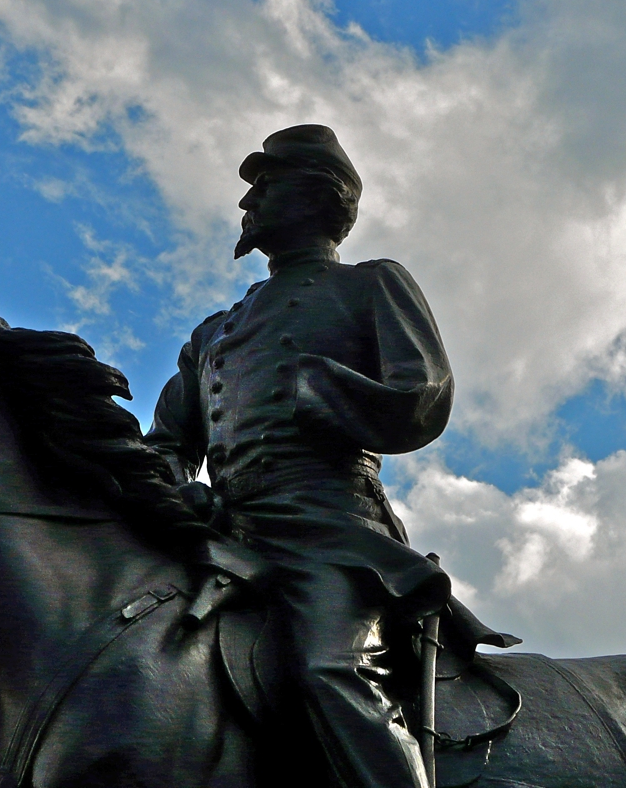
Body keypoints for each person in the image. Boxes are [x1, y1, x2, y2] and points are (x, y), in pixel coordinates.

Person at [146, 124, 455, 788]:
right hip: (224, 537)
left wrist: (327, 387)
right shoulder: (213, 332)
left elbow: (423, 393)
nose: (246, 201)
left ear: (319, 196)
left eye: (265, 184)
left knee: (332, 667)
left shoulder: (370, 284)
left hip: (327, 526)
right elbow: (167, 444)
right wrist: (175, 491)